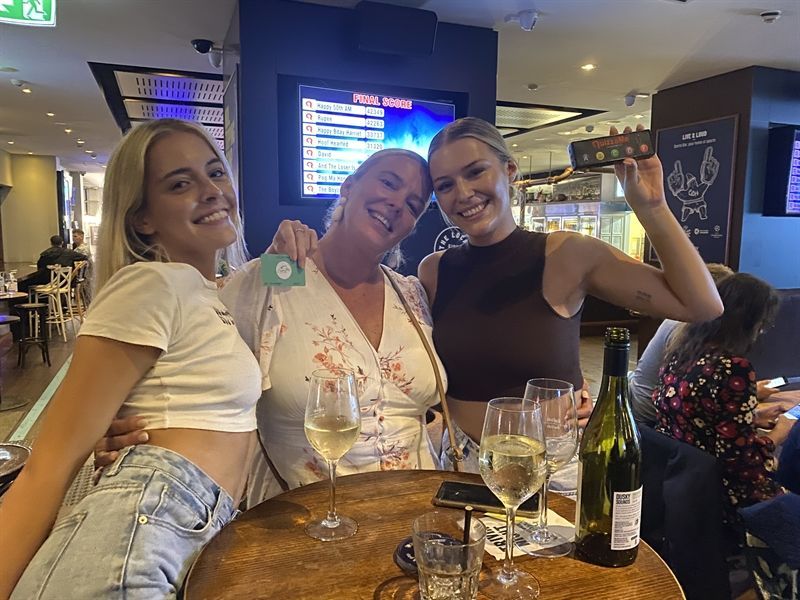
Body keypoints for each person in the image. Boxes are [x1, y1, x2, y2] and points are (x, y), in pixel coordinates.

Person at [0, 119, 261, 599]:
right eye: (180, 184)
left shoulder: (207, 294)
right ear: (143, 218)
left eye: (215, 173)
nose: (211, 191)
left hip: (188, 528)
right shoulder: (151, 284)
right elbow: (49, 466)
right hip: (142, 526)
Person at [96, 149, 445, 507]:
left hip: (417, 514)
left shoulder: (412, 294)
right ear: (349, 185)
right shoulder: (271, 282)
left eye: (414, 205)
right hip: (301, 522)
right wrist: (120, 425)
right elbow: (183, 363)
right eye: (388, 183)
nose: (397, 204)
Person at [417, 117, 723, 469]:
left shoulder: (566, 254)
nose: (463, 193)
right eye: (444, 185)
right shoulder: (434, 270)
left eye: (475, 172)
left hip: (549, 464)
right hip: (461, 460)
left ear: (510, 170)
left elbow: (701, 305)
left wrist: (652, 208)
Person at [653, 272, 793, 525]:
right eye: (763, 323)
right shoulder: (733, 368)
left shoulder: (680, 354)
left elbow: (697, 419)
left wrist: (753, 417)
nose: (762, 332)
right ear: (747, 322)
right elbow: (739, 460)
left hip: (681, 480)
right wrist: (778, 435)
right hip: (722, 493)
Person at [630, 263, 734, 427]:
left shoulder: (681, 319)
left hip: (640, 399)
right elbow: (687, 393)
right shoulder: (692, 327)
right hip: (650, 415)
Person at [19, 234, 87, 292]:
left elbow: (39, 268)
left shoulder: (45, 254)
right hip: (66, 282)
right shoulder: (69, 252)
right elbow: (84, 257)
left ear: (51, 243)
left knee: (23, 283)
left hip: (48, 282)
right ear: (62, 242)